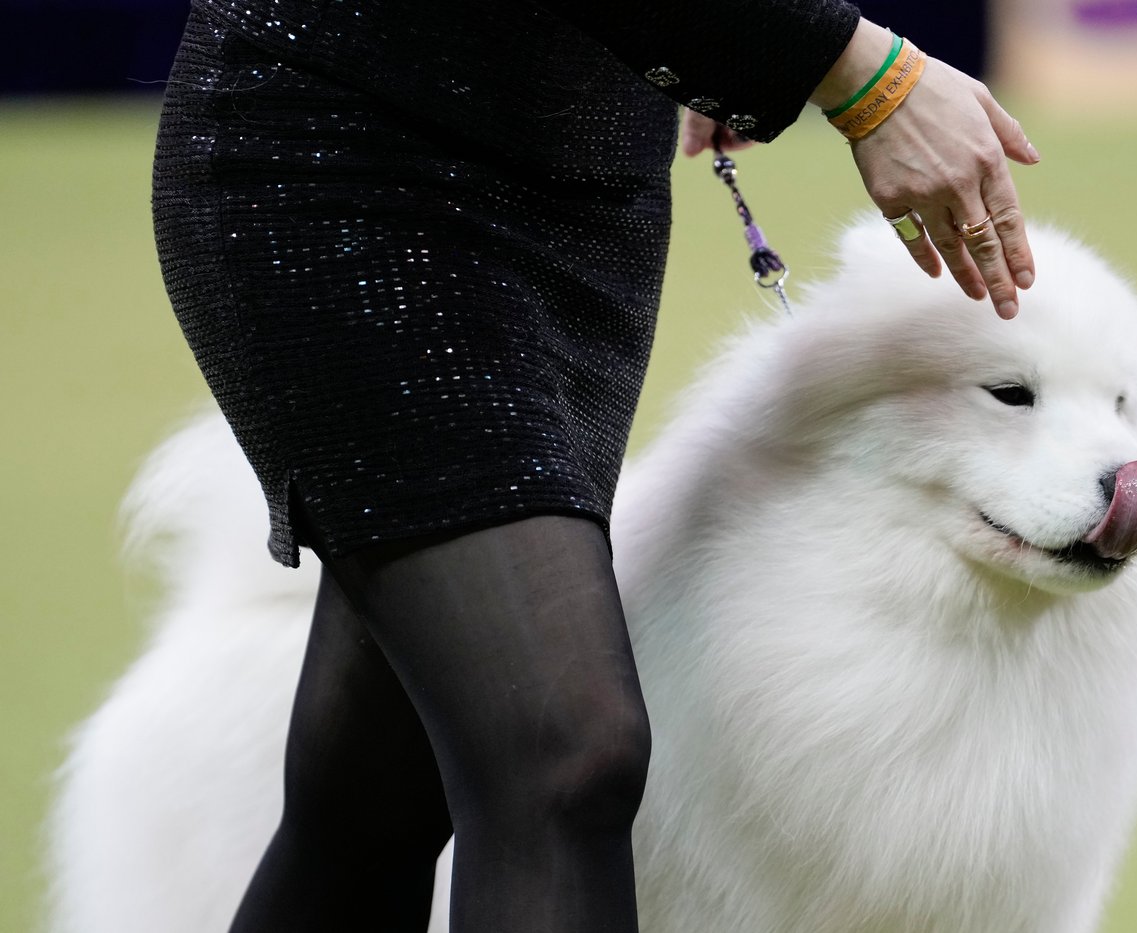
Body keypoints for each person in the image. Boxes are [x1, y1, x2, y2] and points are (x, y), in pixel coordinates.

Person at [150, 1, 1039, 930]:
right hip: (353, 169)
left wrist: (710, 37)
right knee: (564, 753)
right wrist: (854, 65)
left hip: (578, 199)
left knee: (376, 799)